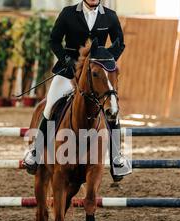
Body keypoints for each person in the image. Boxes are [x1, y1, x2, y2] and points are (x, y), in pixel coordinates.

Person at [23, 0, 132, 181]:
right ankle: (36, 151)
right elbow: (54, 40)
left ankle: (116, 158)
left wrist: (105, 61)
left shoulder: (110, 17)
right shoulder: (68, 13)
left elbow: (119, 43)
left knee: (112, 111)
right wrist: (66, 59)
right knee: (50, 105)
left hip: (96, 76)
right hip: (69, 71)